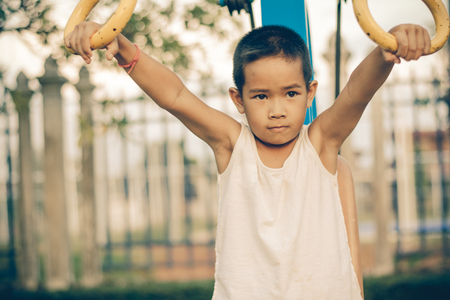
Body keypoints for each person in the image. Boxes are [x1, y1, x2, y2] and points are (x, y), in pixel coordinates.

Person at [65, 21, 430, 299]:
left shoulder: (320, 145)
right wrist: (120, 47)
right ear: (238, 100)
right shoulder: (232, 145)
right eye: (260, 97)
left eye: (290, 93)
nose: (276, 110)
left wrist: (388, 48)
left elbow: (355, 94)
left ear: (309, 94)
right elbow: (175, 96)